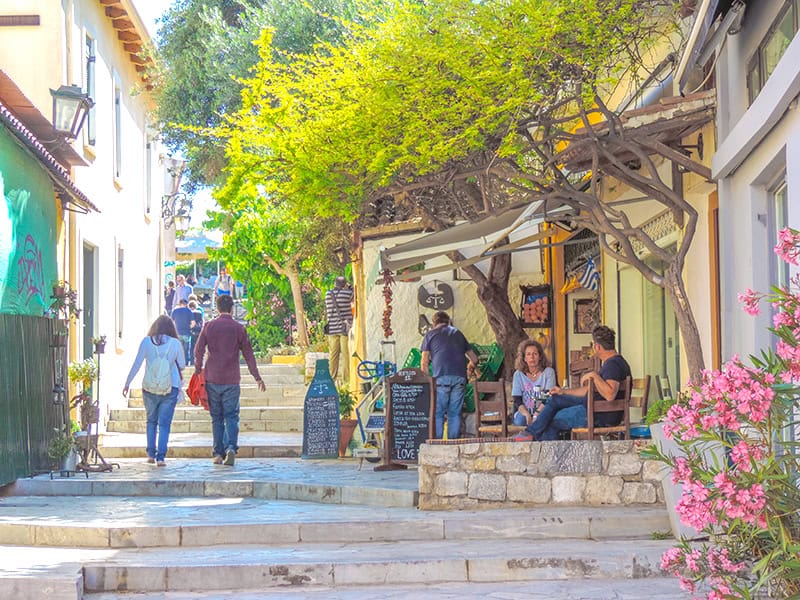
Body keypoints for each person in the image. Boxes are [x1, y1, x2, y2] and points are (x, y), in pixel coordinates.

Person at [513, 325, 631, 441]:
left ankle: (535, 440)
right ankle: (530, 434)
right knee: (555, 398)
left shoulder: (613, 365)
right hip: (592, 407)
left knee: (550, 418)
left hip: (597, 414)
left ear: (597, 346)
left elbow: (610, 394)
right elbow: (589, 390)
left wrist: (594, 375)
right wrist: (563, 391)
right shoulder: (614, 362)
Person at [194, 294, 266, 466]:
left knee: (216, 417)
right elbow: (248, 354)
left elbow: (198, 350)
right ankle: (231, 448)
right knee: (232, 416)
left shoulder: (209, 326)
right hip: (232, 379)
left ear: (217, 308)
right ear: (232, 309)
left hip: (212, 378)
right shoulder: (238, 328)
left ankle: (218, 453)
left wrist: (197, 370)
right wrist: (257, 377)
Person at [122, 315, 186, 466]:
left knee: (151, 421)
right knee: (164, 424)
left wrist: (127, 383)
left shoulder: (146, 342)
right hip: (170, 387)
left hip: (149, 387)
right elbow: (182, 365)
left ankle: (151, 454)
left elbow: (137, 363)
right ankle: (161, 457)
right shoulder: (175, 343)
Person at [420, 311, 479, 440]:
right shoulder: (458, 333)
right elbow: (474, 359)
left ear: (434, 323)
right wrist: (470, 368)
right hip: (460, 378)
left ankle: (437, 444)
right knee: (455, 413)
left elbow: (424, 363)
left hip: (441, 378)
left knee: (438, 413)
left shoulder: (430, 335)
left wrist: (428, 382)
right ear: (449, 322)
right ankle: (453, 443)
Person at [511, 339, 557, 426]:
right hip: (523, 412)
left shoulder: (548, 372)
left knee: (543, 420)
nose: (532, 357)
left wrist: (536, 414)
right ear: (524, 358)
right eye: (528, 354)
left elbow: (548, 397)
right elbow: (517, 400)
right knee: (520, 421)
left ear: (540, 356)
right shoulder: (518, 374)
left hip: (543, 410)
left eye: (535, 354)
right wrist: (527, 414)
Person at [324, 276, 354, 382]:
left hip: (332, 329)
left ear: (334, 284)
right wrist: (349, 287)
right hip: (344, 329)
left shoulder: (328, 294)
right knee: (346, 355)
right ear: (344, 284)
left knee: (333, 355)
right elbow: (355, 294)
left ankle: (332, 378)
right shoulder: (347, 294)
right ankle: (346, 380)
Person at [171, 299, 194, 365]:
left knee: (178, 349)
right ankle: (186, 363)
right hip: (186, 333)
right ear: (186, 304)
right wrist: (188, 327)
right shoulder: (189, 311)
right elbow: (193, 323)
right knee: (186, 350)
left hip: (177, 333)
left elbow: (171, 322)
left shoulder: (175, 311)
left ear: (179, 303)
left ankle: (178, 363)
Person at [188, 299, 204, 364]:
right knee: (198, 347)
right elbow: (202, 322)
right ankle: (198, 361)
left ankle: (192, 361)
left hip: (192, 331)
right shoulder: (199, 313)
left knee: (192, 347)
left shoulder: (189, 313)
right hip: (199, 332)